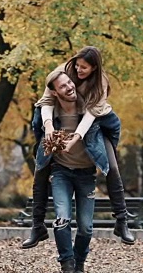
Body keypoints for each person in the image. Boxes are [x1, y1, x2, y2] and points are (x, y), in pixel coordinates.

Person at [22, 46, 135, 250]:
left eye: (84, 68)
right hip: (60, 120)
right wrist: (48, 127)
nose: (79, 70)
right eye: (77, 65)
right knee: (41, 165)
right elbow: (47, 100)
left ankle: (122, 221)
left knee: (112, 167)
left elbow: (91, 116)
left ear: (94, 69)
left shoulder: (100, 83)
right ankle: (37, 226)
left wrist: (74, 139)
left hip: (98, 121)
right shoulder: (62, 72)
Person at [35, 70, 104, 273]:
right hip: (61, 172)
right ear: (55, 93)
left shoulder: (88, 105)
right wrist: (48, 128)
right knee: (62, 218)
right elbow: (43, 111)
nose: (70, 87)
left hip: (86, 174)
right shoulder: (51, 110)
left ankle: (79, 262)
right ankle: (67, 264)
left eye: (69, 82)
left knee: (86, 227)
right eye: (63, 86)